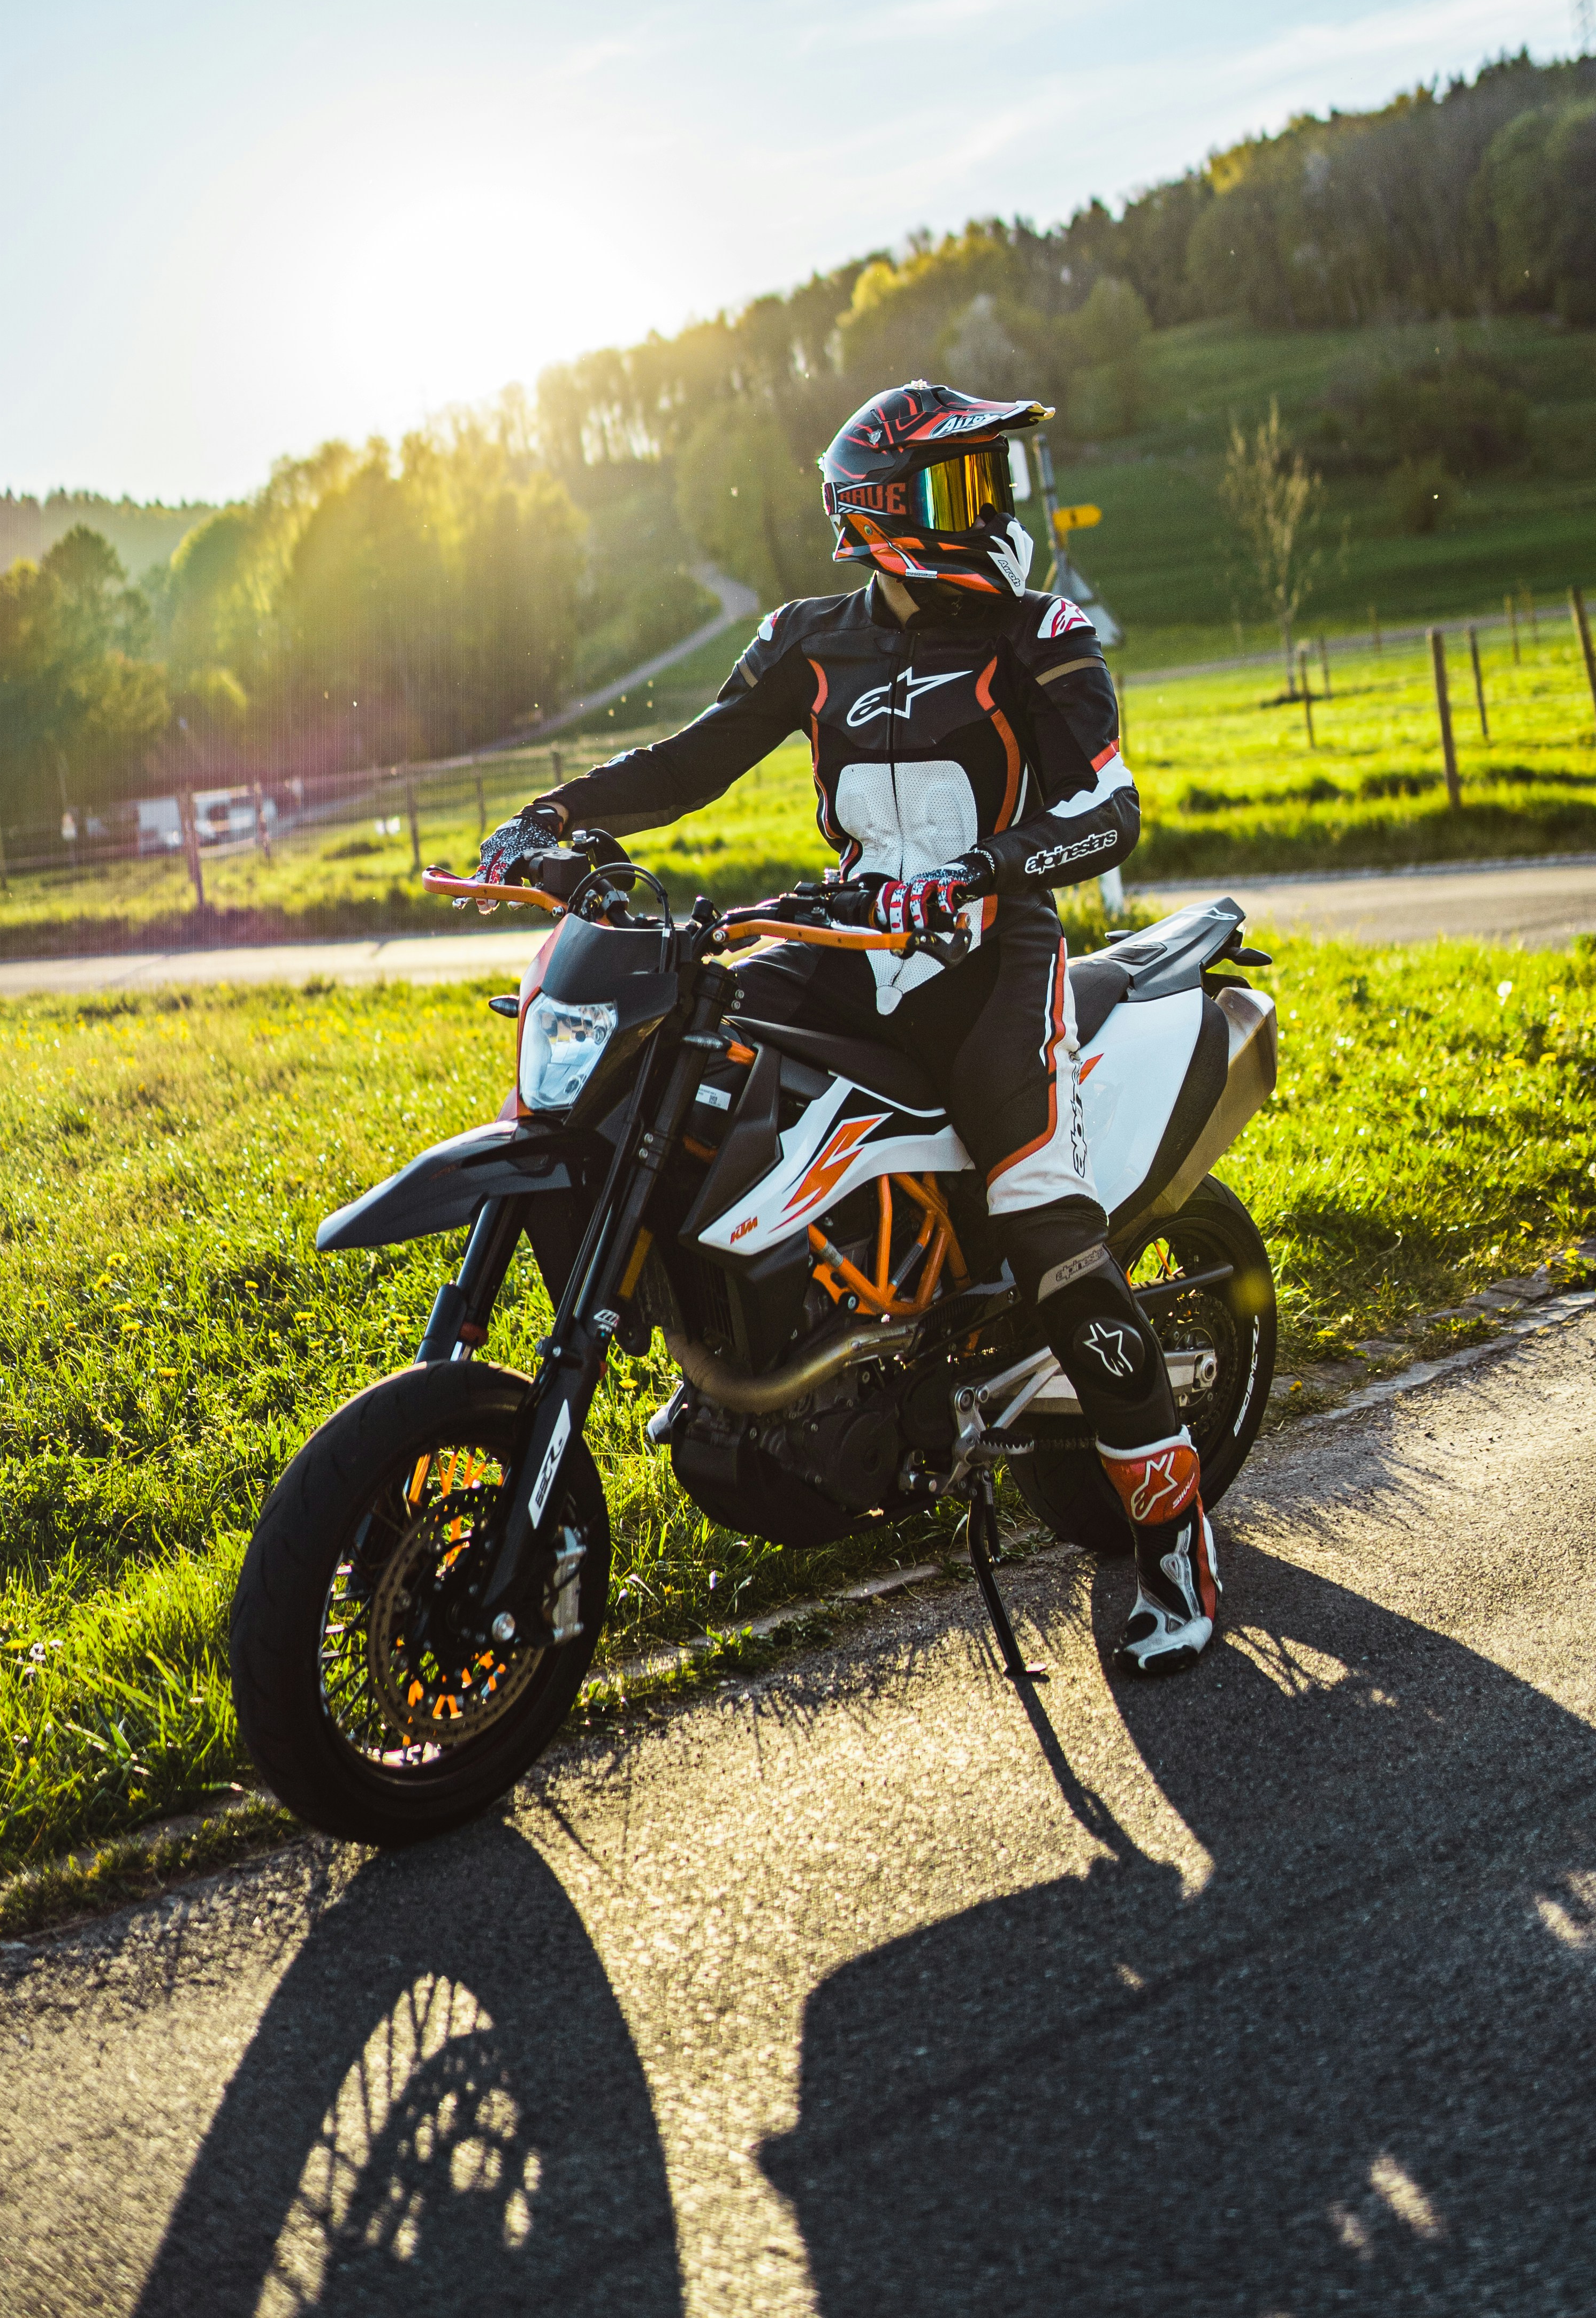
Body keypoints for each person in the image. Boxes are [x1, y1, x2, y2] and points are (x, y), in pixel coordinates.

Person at [474, 379, 1219, 1672]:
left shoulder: (1041, 633)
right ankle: (756, 1346)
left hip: (991, 960)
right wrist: (555, 815)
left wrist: (983, 872)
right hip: (845, 942)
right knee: (670, 1058)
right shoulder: (808, 639)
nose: (989, 510)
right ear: (879, 512)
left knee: (1047, 1230)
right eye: (960, 485)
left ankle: (1172, 1544)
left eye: (992, 482)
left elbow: (1107, 813)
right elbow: (689, 761)